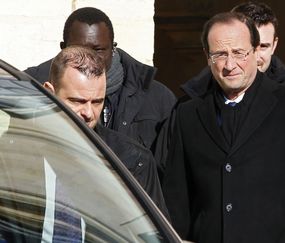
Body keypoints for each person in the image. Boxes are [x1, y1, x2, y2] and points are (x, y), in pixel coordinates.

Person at [162, 12, 285, 243]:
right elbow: (177, 199)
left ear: (255, 51)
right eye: (220, 55)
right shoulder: (188, 113)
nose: (230, 65)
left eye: (239, 53)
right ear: (207, 57)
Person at [154, 1, 285, 177]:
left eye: (262, 46)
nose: (255, 56)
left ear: (274, 45)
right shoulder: (187, 109)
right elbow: (167, 173)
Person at [25, 7, 176, 152]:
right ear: (63, 47)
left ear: (113, 48)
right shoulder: (31, 88)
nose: (89, 57)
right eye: (77, 100)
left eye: (98, 50)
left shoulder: (157, 98)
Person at [43, 46, 168, 217]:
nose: (88, 113)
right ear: (49, 94)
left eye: (96, 102)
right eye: (77, 101)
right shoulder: (17, 152)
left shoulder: (133, 160)